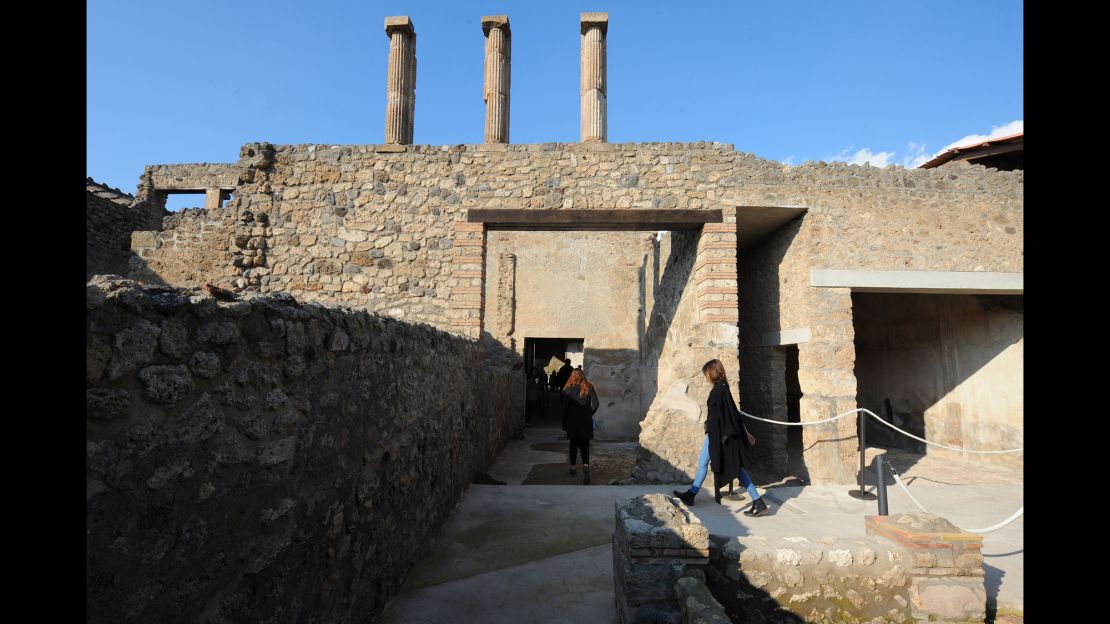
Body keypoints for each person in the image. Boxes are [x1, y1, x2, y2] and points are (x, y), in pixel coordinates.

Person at [673, 359, 770, 517]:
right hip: (714, 435)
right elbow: (733, 413)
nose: (706, 376)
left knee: (736, 469)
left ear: (713, 371)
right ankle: (691, 494)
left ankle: (758, 501)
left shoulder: (720, 389)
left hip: (720, 437)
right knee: (703, 463)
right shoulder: (722, 388)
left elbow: (731, 414)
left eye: (707, 373)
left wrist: (744, 433)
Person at [561, 369, 600, 485]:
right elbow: (596, 404)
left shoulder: (568, 389)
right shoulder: (589, 387)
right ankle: (586, 467)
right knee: (584, 445)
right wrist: (590, 413)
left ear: (572, 376)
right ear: (583, 376)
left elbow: (565, 409)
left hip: (572, 422)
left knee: (573, 445)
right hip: (585, 421)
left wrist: (564, 422)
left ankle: (573, 468)